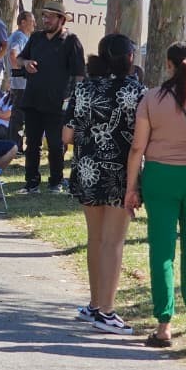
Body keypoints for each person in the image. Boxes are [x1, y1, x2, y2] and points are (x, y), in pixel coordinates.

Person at [124, 43, 186, 348]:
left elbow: (137, 148)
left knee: (161, 248)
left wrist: (132, 187)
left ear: (168, 64)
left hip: (160, 176)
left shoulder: (150, 98)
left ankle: (163, 323)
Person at [64, 34, 143, 335]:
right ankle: (107, 311)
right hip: (120, 172)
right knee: (114, 241)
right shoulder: (135, 90)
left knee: (95, 239)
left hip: (87, 169)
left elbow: (66, 136)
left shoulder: (83, 87)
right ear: (129, 58)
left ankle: (95, 304)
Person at [17, 0, 86, 195]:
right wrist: (26, 63)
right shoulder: (36, 38)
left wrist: (74, 99)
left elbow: (79, 74)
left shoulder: (71, 41)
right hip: (32, 99)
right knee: (32, 144)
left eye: (49, 16)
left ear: (61, 19)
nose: (45, 20)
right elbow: (20, 58)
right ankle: (31, 182)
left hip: (58, 103)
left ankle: (56, 181)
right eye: (44, 16)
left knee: (56, 144)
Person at [5, 10, 35, 147]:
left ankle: (15, 144)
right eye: (31, 20)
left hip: (19, 83)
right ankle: (14, 145)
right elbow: (13, 54)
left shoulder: (19, 36)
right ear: (23, 22)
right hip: (21, 83)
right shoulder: (19, 37)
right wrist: (21, 71)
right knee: (19, 115)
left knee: (18, 114)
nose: (34, 23)